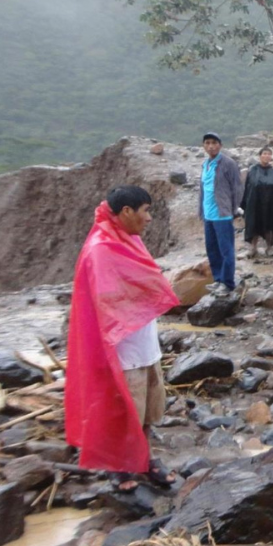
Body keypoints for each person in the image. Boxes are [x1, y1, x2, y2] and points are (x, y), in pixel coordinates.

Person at [65, 186, 180, 487]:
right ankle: (119, 465)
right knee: (124, 407)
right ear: (127, 211)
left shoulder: (128, 240)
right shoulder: (101, 248)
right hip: (123, 347)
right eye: (145, 210)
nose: (149, 218)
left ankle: (145, 458)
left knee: (146, 408)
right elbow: (106, 300)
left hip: (143, 341)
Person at [199, 132, 242, 292]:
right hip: (208, 214)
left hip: (222, 214)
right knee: (212, 249)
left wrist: (232, 208)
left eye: (214, 143)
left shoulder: (228, 163)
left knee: (226, 250)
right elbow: (203, 190)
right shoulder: (205, 164)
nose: (211, 146)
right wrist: (201, 211)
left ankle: (227, 283)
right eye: (207, 143)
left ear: (220, 145)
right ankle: (218, 279)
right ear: (203, 146)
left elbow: (238, 187)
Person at [241, 147, 273, 258]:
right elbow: (248, 187)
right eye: (265, 153)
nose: (267, 156)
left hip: (270, 204)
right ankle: (252, 249)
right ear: (260, 155)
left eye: (269, 154)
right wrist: (245, 203)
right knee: (254, 225)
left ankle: (270, 248)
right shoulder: (253, 170)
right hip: (255, 203)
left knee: (270, 225)